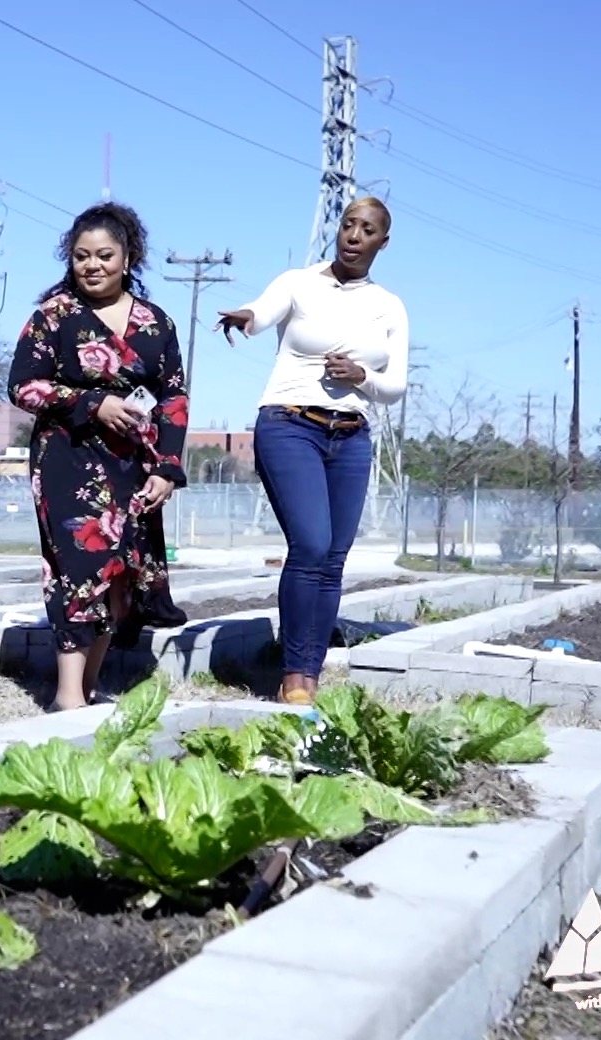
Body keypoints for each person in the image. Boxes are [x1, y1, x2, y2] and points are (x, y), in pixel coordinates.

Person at [214, 196, 408, 706]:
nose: (354, 235)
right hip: (290, 424)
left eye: (367, 230)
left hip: (352, 436)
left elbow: (395, 386)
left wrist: (362, 376)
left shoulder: (389, 305)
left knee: (334, 559)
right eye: (348, 224)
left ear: (383, 242)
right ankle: (293, 675)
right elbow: (262, 311)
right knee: (312, 545)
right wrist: (245, 317)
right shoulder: (298, 283)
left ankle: (310, 675)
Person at [7, 202, 191, 712]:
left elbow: (173, 398)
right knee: (80, 566)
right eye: (81, 256)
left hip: (134, 464)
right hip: (68, 458)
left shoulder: (156, 323)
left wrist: (167, 468)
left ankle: (89, 685)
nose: (92, 265)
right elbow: (22, 386)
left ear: (127, 258)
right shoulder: (54, 317)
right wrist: (93, 403)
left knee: (120, 574)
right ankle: (67, 696)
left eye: (104, 255)